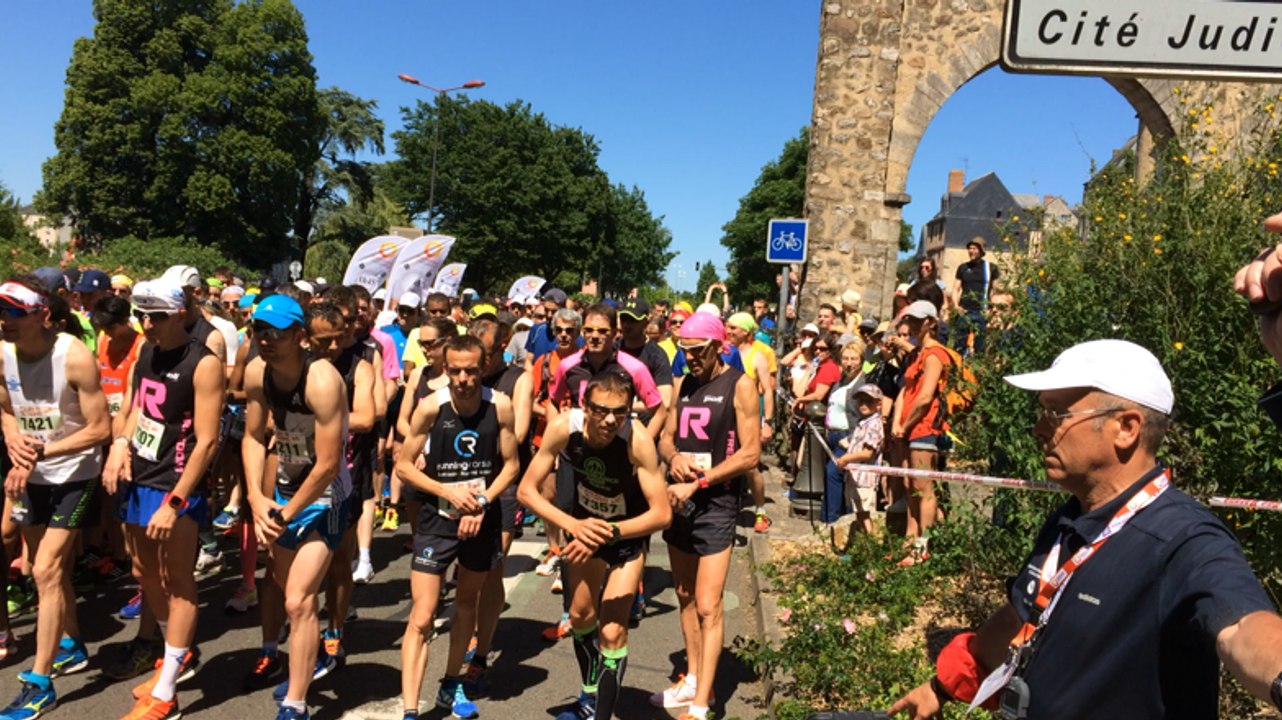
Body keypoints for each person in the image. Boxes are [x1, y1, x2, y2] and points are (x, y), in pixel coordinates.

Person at [890, 338, 1282, 719]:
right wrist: (943, 687)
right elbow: (1019, 615)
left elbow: (1243, 627)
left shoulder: (1184, 539)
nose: (1039, 429)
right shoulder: (1070, 519)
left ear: (1126, 428)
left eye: (1056, 414)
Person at [517, 373, 672, 720]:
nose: (610, 420)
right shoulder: (563, 427)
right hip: (584, 530)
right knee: (580, 615)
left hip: (624, 535)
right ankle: (589, 694)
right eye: (601, 410)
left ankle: (600, 714)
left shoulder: (637, 440)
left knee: (612, 630)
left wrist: (610, 532)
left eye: (620, 412)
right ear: (585, 407)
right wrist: (573, 526)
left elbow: (662, 514)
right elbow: (526, 491)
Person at [103, 278, 225, 720]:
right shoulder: (146, 352)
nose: (147, 324)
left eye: (156, 316)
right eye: (142, 316)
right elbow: (136, 407)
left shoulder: (203, 363)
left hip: (176, 482)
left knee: (178, 581)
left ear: (179, 314)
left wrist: (176, 502)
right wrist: (119, 445)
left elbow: (207, 441)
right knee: (142, 571)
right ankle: (174, 653)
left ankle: (168, 690)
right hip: (140, 473)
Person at [0, 276, 111, 720]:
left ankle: (40, 683)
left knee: (45, 569)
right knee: (45, 571)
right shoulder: (4, 353)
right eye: (1, 312)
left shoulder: (74, 355)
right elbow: (5, 408)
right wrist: (13, 440)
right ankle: (72, 643)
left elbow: (101, 428)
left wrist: (42, 451)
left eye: (14, 312)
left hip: (74, 475)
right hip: (30, 476)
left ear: (42, 314)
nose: (5, 321)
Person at [395, 334, 519, 720]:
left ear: (483, 368)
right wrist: (446, 491)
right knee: (422, 615)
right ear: (444, 369)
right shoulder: (430, 407)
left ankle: (452, 683)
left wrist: (481, 502)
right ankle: (410, 709)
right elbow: (403, 466)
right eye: (455, 371)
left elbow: (511, 465)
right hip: (437, 521)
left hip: (481, 519)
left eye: (471, 371)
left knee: (466, 603)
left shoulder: (500, 405)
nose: (463, 379)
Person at [241, 294, 351, 720]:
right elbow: (253, 437)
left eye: (276, 333)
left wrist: (283, 515)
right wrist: (256, 497)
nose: (265, 340)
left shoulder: (322, 380)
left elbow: (328, 464)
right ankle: (309, 658)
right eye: (258, 330)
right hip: (285, 492)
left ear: (299, 335)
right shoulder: (257, 371)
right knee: (286, 588)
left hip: (325, 496)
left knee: (299, 600)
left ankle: (296, 704)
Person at [651, 312, 760, 720]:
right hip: (682, 502)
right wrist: (674, 458)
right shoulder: (683, 384)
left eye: (697, 351)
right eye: (685, 350)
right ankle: (694, 679)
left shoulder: (740, 385)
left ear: (718, 346)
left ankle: (702, 704)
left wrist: (698, 482)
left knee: (709, 604)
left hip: (717, 504)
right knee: (684, 595)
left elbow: (750, 454)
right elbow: (665, 438)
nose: (690, 358)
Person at [303, 302, 377, 670]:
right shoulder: (296, 366)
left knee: (338, 561)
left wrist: (321, 416)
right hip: (298, 476)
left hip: (345, 475)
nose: (333, 346)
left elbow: (366, 417)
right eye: (324, 340)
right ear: (305, 338)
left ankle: (334, 630)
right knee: (294, 563)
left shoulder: (359, 366)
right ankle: (301, 627)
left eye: (339, 338)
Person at [889, 301, 952, 565]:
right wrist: (897, 421)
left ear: (931, 322)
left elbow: (925, 396)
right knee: (910, 485)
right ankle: (909, 539)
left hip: (925, 427)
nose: (913, 325)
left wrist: (905, 424)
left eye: (918, 320)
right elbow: (906, 390)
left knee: (923, 487)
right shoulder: (917, 353)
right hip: (907, 428)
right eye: (910, 320)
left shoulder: (935, 355)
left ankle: (922, 546)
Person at [548, 304, 665, 439]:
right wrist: (555, 438)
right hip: (577, 447)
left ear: (615, 333)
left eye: (603, 331)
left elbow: (660, 411)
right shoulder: (567, 366)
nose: (595, 336)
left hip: (618, 446)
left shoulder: (634, 368)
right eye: (589, 330)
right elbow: (552, 402)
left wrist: (642, 444)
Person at [725, 313, 776, 533]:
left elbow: (768, 391)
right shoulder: (724, 351)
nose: (728, 331)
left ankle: (760, 510)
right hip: (726, 416)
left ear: (746, 331)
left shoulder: (757, 356)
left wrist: (767, 422)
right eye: (727, 327)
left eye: (733, 328)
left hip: (748, 418)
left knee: (750, 466)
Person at [820, 339, 866, 524]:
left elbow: (864, 416)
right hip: (832, 436)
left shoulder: (862, 383)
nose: (849, 363)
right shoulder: (840, 382)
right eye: (846, 359)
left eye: (854, 359)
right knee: (830, 475)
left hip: (847, 437)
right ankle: (830, 519)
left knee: (833, 473)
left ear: (861, 360)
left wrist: (852, 438)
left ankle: (833, 521)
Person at [834, 384, 884, 535]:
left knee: (864, 514)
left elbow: (868, 453)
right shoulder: (862, 423)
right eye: (860, 401)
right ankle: (863, 542)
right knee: (859, 514)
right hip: (854, 477)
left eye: (869, 401)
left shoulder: (874, 424)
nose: (863, 404)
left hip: (864, 478)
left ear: (878, 404)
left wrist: (846, 458)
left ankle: (871, 543)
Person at [948, 237, 999, 356]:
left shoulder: (990, 268)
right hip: (965, 311)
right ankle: (957, 366)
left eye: (974, 248)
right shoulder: (963, 268)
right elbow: (955, 289)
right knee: (959, 346)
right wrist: (956, 306)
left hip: (982, 312)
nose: (971, 251)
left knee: (980, 347)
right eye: (970, 248)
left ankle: (978, 365)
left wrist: (993, 309)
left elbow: (995, 291)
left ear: (981, 251)